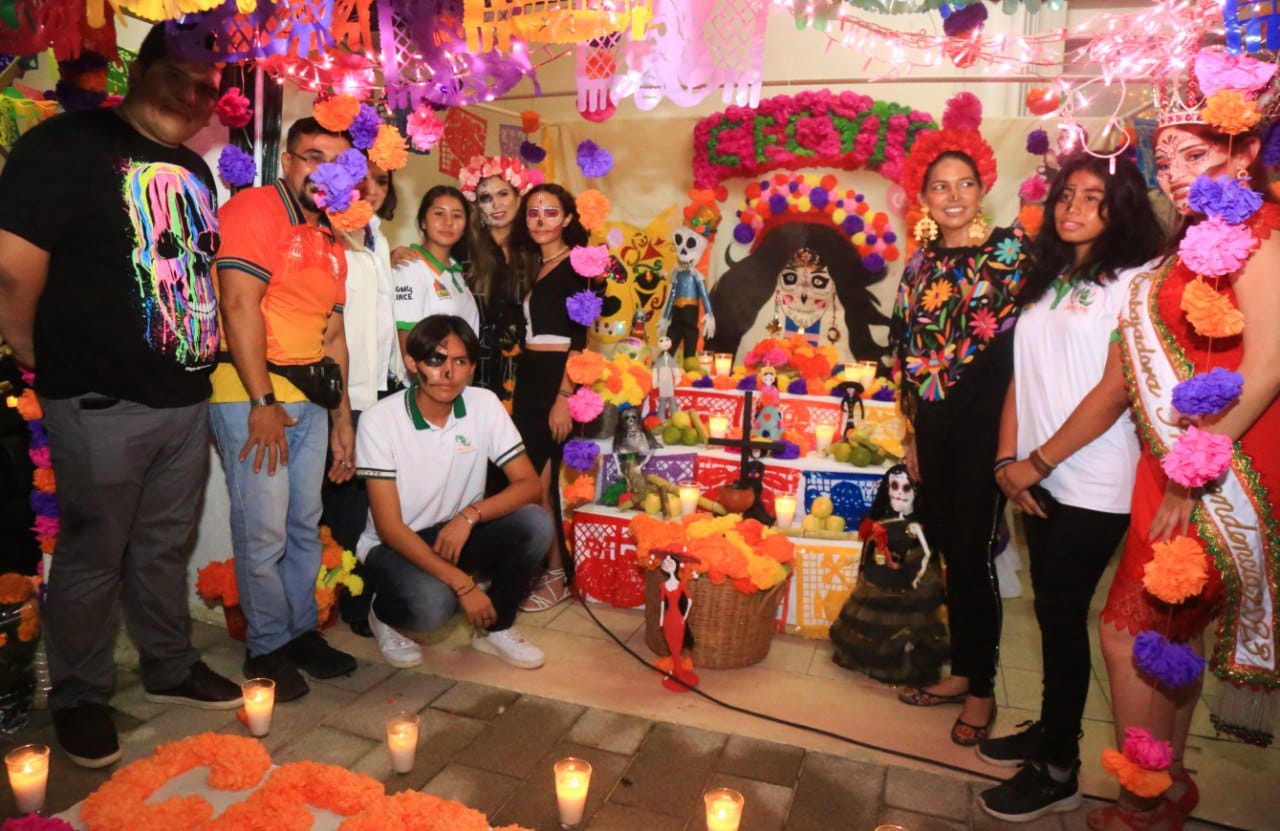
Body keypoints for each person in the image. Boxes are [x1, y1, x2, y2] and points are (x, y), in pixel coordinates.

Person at [1026, 70, 1280, 831]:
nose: (1172, 173)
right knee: (1170, 630)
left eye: (1193, 155)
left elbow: (1269, 363)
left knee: (1126, 629)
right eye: (1164, 159)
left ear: (1244, 152)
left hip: (1218, 463)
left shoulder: (1261, 235)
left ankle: (1140, 799)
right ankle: (1167, 787)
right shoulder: (1193, 243)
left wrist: (1191, 473)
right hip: (1174, 460)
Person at [0, 24, 243, 768]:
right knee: (93, 554)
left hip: (183, 398)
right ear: (140, 72)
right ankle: (78, 696)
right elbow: (11, 273)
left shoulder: (192, 169)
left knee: (165, 546)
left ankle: (168, 665)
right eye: (179, 77)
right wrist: (37, 354)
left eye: (208, 87)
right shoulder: (65, 145)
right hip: (100, 400)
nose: (195, 97)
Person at [974, 153, 1165, 822]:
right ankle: (1051, 731)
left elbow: (1116, 389)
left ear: (1123, 207)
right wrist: (1008, 460)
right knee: (1051, 615)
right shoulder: (1052, 275)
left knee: (1061, 613)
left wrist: (1038, 462)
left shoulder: (1137, 280)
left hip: (1093, 480)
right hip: (1033, 474)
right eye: (1066, 194)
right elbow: (1021, 374)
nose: (1073, 207)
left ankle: (1058, 768)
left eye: (1093, 196)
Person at [890, 92, 1030, 747]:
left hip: (984, 434)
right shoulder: (917, 266)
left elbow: (1026, 352)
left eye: (964, 184)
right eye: (939, 186)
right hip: (935, 436)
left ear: (983, 189)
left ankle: (981, 692)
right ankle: (963, 670)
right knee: (949, 554)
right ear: (922, 197)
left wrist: (1011, 442)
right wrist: (913, 434)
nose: (952, 196)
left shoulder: (1009, 256)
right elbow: (904, 353)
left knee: (973, 562)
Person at [209, 116, 359, 702]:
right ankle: (265, 646)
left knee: (303, 524)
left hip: (312, 398)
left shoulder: (332, 237)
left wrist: (342, 419)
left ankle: (299, 633)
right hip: (252, 396)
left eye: (339, 162)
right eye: (314, 156)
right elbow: (237, 305)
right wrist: (262, 400)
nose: (326, 172)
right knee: (264, 528)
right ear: (288, 161)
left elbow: (334, 336)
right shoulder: (253, 210)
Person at [355, 315, 552, 670]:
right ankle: (383, 615)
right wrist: (464, 585)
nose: (448, 372)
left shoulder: (484, 404)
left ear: (472, 367)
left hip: (455, 533)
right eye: (436, 360)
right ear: (412, 362)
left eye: (460, 361)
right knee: (436, 607)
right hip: (395, 544)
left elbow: (529, 484)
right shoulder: (379, 420)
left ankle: (495, 629)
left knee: (536, 523)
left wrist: (468, 516)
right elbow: (389, 527)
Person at [509, 184, 595, 612]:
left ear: (567, 218)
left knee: (541, 483)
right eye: (533, 212)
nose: (541, 219)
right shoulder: (534, 264)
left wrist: (564, 395)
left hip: (556, 379)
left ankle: (558, 576)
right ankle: (544, 568)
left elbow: (580, 339)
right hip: (530, 377)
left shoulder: (579, 266)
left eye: (550, 211)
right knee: (529, 481)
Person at [323, 158, 400, 636]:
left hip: (376, 389)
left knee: (360, 503)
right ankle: (328, 603)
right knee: (336, 502)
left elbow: (382, 316)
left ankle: (353, 602)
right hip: (337, 390)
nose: (372, 188)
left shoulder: (379, 238)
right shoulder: (326, 233)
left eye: (382, 180)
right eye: (362, 178)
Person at [830, 465, 946, 687]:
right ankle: (868, 658)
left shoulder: (916, 527)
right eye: (894, 486)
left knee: (906, 627)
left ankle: (900, 663)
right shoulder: (881, 521)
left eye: (906, 487)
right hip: (878, 578)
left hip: (907, 582)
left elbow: (926, 554)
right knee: (870, 625)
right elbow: (869, 551)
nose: (899, 493)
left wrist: (919, 575)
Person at [457, 156, 544, 408]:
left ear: (519, 197)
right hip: (477, 368)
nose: (496, 204)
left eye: (503, 194)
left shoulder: (537, 248)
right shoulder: (462, 249)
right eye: (485, 197)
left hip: (531, 366)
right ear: (476, 205)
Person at [393, 186, 478, 370]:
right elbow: (407, 340)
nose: (448, 222)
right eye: (439, 213)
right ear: (423, 221)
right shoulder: (410, 266)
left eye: (457, 216)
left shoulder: (457, 273)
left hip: (456, 380)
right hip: (428, 382)